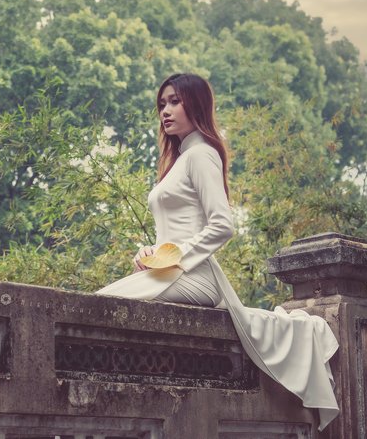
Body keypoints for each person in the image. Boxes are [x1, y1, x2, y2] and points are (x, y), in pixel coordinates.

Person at [97, 73, 339, 431]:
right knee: (101, 303)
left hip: (195, 276)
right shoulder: (179, 160)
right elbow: (176, 231)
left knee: (103, 303)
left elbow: (222, 225)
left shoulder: (201, 154)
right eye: (162, 103)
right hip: (170, 271)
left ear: (196, 104)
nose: (166, 110)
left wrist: (175, 255)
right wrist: (151, 252)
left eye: (175, 101)